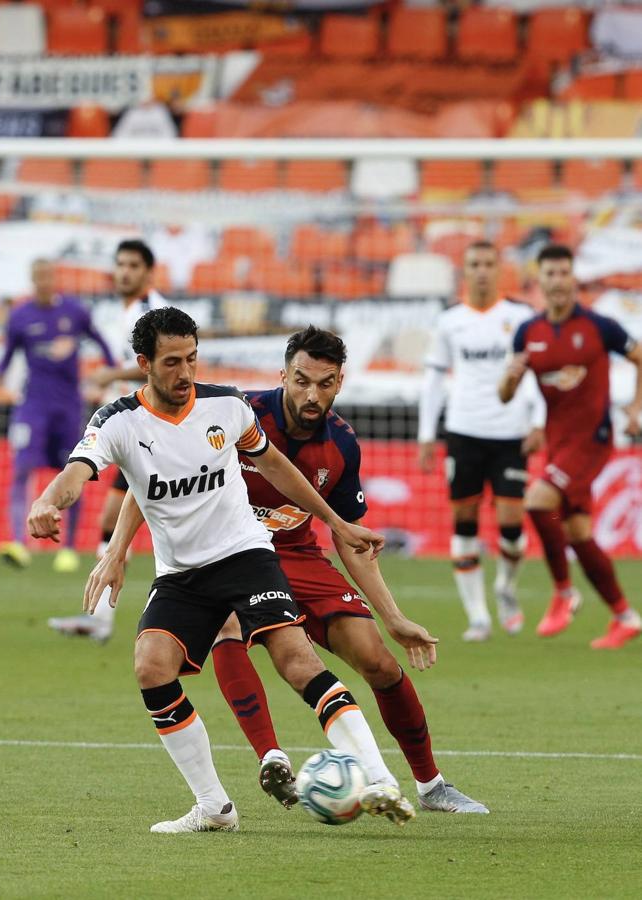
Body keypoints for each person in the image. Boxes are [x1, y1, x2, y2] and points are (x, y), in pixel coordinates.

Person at [28, 307, 426, 834]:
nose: (186, 372)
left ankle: (379, 781)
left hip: (245, 554)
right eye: (173, 362)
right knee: (151, 666)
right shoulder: (117, 421)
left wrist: (335, 521)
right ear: (144, 363)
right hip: (180, 573)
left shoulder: (227, 406)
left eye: (192, 358)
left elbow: (275, 464)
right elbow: (83, 472)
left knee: (296, 661)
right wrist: (54, 504)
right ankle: (214, 807)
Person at [209, 325, 488, 814]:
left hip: (296, 557)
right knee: (226, 624)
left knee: (378, 660)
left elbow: (350, 537)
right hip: (230, 555)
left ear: (340, 382)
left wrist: (394, 617)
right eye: (301, 380)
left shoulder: (341, 444)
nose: (311, 394)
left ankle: (432, 784)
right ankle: (270, 756)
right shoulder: (238, 417)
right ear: (283, 376)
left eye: (324, 383)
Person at [499, 244, 642, 649]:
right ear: (539, 280)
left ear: (573, 278)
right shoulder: (530, 333)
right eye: (551, 274)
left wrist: (634, 406)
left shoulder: (600, 327)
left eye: (564, 273)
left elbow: (639, 356)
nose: (558, 281)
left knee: (538, 502)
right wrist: (510, 377)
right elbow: (506, 394)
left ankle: (563, 593)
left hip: (592, 440)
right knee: (578, 532)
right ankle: (625, 615)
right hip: (558, 443)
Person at [418, 241, 545, 641]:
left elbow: (537, 372)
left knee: (511, 524)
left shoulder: (521, 317)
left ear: (500, 268)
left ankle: (506, 587)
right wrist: (426, 434)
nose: (483, 271)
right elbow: (435, 378)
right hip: (464, 432)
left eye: (490, 263)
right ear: (465, 271)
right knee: (465, 522)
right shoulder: (450, 320)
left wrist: (538, 420)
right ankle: (478, 617)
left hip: (510, 434)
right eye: (475, 264)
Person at [48, 239, 165, 637]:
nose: (124, 272)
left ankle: (226, 613)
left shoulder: (153, 312)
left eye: (133, 265)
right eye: (120, 264)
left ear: (149, 272)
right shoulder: (130, 312)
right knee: (113, 519)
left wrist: (110, 375)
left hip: (157, 432)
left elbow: (162, 368)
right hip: (139, 431)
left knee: (173, 529)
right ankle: (99, 618)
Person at [0, 258, 115, 573]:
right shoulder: (20, 316)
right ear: (32, 280)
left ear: (55, 278)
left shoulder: (75, 312)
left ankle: (69, 548)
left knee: (73, 472)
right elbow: (6, 357)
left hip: (68, 406)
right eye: (39, 277)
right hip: (32, 405)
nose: (44, 282)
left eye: (49, 276)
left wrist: (109, 374)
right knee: (22, 469)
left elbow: (102, 343)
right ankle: (19, 543)